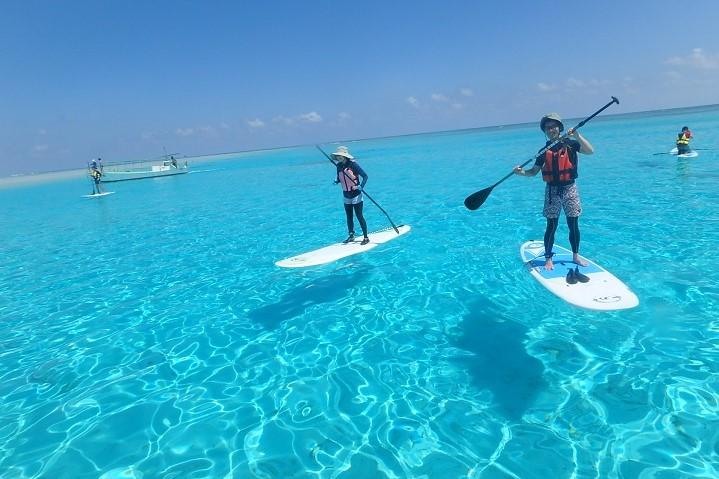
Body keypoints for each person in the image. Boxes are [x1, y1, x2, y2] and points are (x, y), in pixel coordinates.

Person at [513, 113, 594, 275]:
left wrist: (577, 135)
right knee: (551, 226)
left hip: (570, 188)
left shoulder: (571, 144)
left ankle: (576, 256)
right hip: (552, 191)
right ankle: (548, 258)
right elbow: (533, 172)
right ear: (545, 131)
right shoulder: (543, 151)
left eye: (553, 127)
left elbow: (590, 151)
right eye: (547, 128)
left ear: (559, 128)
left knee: (573, 224)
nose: (551, 130)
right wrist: (521, 173)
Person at [332, 146, 370, 245]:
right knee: (349, 216)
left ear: (345, 156)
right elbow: (340, 177)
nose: (339, 158)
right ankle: (351, 235)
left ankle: (366, 237)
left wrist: (361, 186)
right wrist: (337, 181)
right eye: (338, 156)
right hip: (346, 195)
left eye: (340, 156)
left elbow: (365, 176)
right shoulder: (338, 166)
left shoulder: (353, 165)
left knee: (359, 216)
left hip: (356, 195)